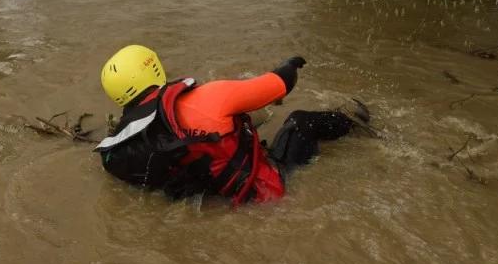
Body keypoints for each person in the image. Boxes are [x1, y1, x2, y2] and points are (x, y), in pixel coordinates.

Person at [95, 45, 369, 205]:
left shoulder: (124, 140)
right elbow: (282, 83)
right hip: (268, 191)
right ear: (153, 68)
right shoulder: (209, 96)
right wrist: (290, 64)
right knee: (299, 121)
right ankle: (359, 120)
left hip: (222, 194)